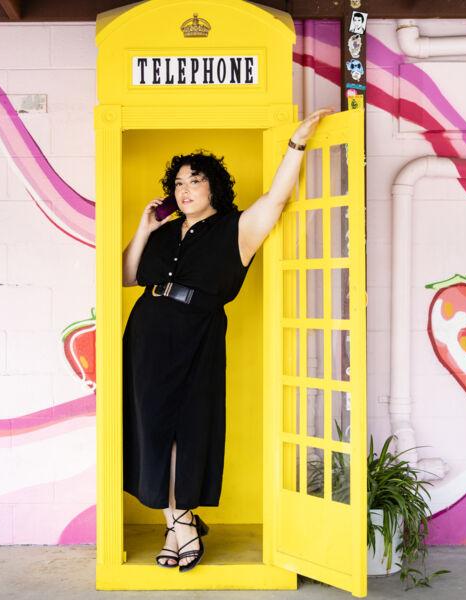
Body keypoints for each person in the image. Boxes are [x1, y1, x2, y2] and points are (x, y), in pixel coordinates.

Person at [120, 108, 333, 571]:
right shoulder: (161, 232)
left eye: (194, 181)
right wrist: (142, 229)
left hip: (196, 334)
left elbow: (276, 200)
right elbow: (125, 275)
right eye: (178, 183)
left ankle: (179, 527)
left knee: (187, 430)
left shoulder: (235, 229)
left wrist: (296, 143)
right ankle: (181, 525)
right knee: (151, 431)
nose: (184, 190)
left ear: (212, 186)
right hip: (147, 334)